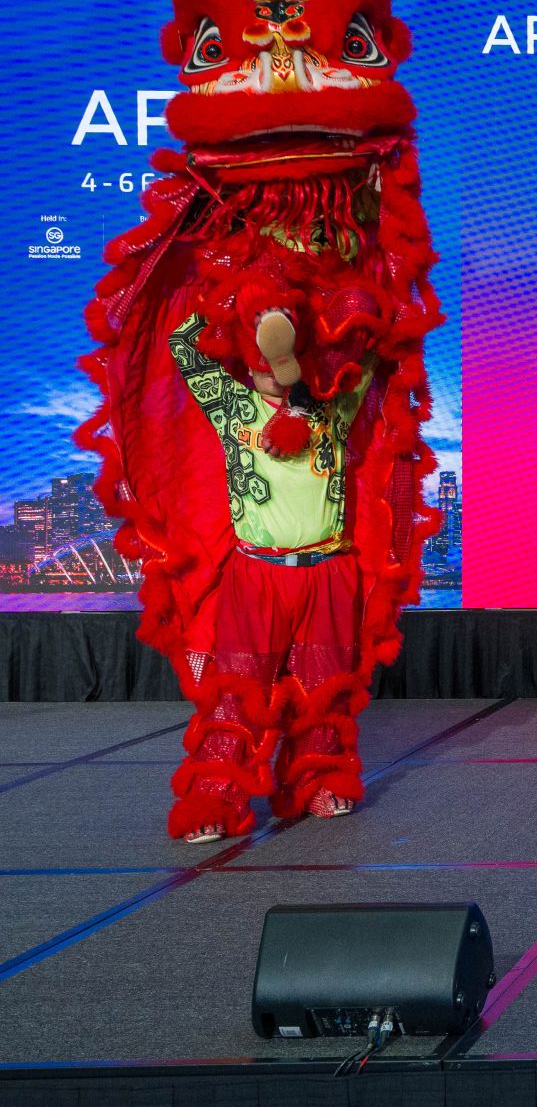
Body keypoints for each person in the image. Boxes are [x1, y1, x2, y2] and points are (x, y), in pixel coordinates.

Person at [168, 311, 371, 843]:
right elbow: (183, 344)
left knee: (324, 688)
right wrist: (236, 296)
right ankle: (215, 796)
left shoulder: (333, 405)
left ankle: (318, 781)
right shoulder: (232, 405)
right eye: (260, 358)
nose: (270, 371)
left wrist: (314, 301)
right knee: (239, 689)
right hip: (257, 573)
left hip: (327, 570)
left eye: (279, 355)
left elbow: (371, 343)